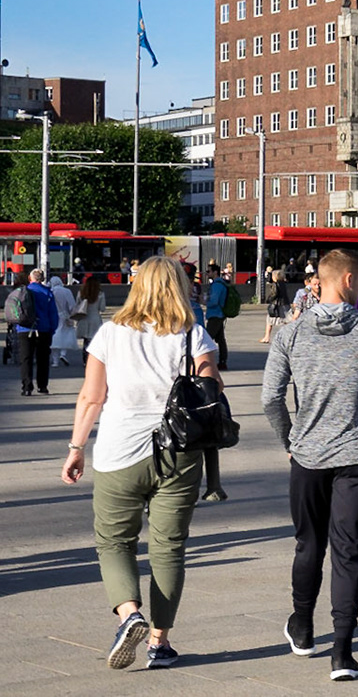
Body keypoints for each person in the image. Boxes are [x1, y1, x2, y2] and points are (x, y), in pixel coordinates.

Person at [61, 256, 219, 669]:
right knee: (169, 548)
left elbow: (91, 397)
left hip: (119, 452)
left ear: (137, 286)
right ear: (179, 286)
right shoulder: (193, 334)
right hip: (179, 453)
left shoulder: (110, 334)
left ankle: (129, 613)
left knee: (114, 542)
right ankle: (158, 643)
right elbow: (212, 390)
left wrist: (76, 447)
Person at [262, 249, 358, 682]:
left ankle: (303, 628)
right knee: (350, 554)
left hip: (307, 457)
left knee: (309, 544)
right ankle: (342, 651)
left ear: (319, 281)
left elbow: (270, 397)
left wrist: (291, 438)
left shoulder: (291, 333)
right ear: (350, 280)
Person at [16, 268, 58, 394]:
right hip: (43, 328)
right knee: (43, 359)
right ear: (43, 279)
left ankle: (27, 387)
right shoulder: (48, 292)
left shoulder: (23, 291)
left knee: (26, 359)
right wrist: (52, 329)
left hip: (25, 328)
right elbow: (53, 314)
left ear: (30, 278)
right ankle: (42, 386)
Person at [203, 267, 231, 369]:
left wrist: (204, 302)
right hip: (219, 314)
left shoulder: (217, 285)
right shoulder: (221, 283)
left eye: (208, 271)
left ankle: (207, 362)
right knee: (220, 339)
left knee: (207, 339)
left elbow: (214, 301)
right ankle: (222, 361)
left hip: (215, 314)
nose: (207, 273)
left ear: (215, 272)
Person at [72, 273, 105, 358]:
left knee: (85, 340)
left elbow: (77, 304)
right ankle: (92, 358)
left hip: (84, 318)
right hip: (95, 319)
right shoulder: (100, 294)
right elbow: (102, 308)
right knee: (94, 340)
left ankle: (85, 358)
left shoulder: (81, 293)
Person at [50, 272, 79, 367]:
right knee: (66, 335)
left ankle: (55, 361)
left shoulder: (51, 291)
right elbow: (72, 305)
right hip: (65, 315)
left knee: (54, 336)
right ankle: (63, 354)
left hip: (53, 316)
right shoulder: (67, 291)